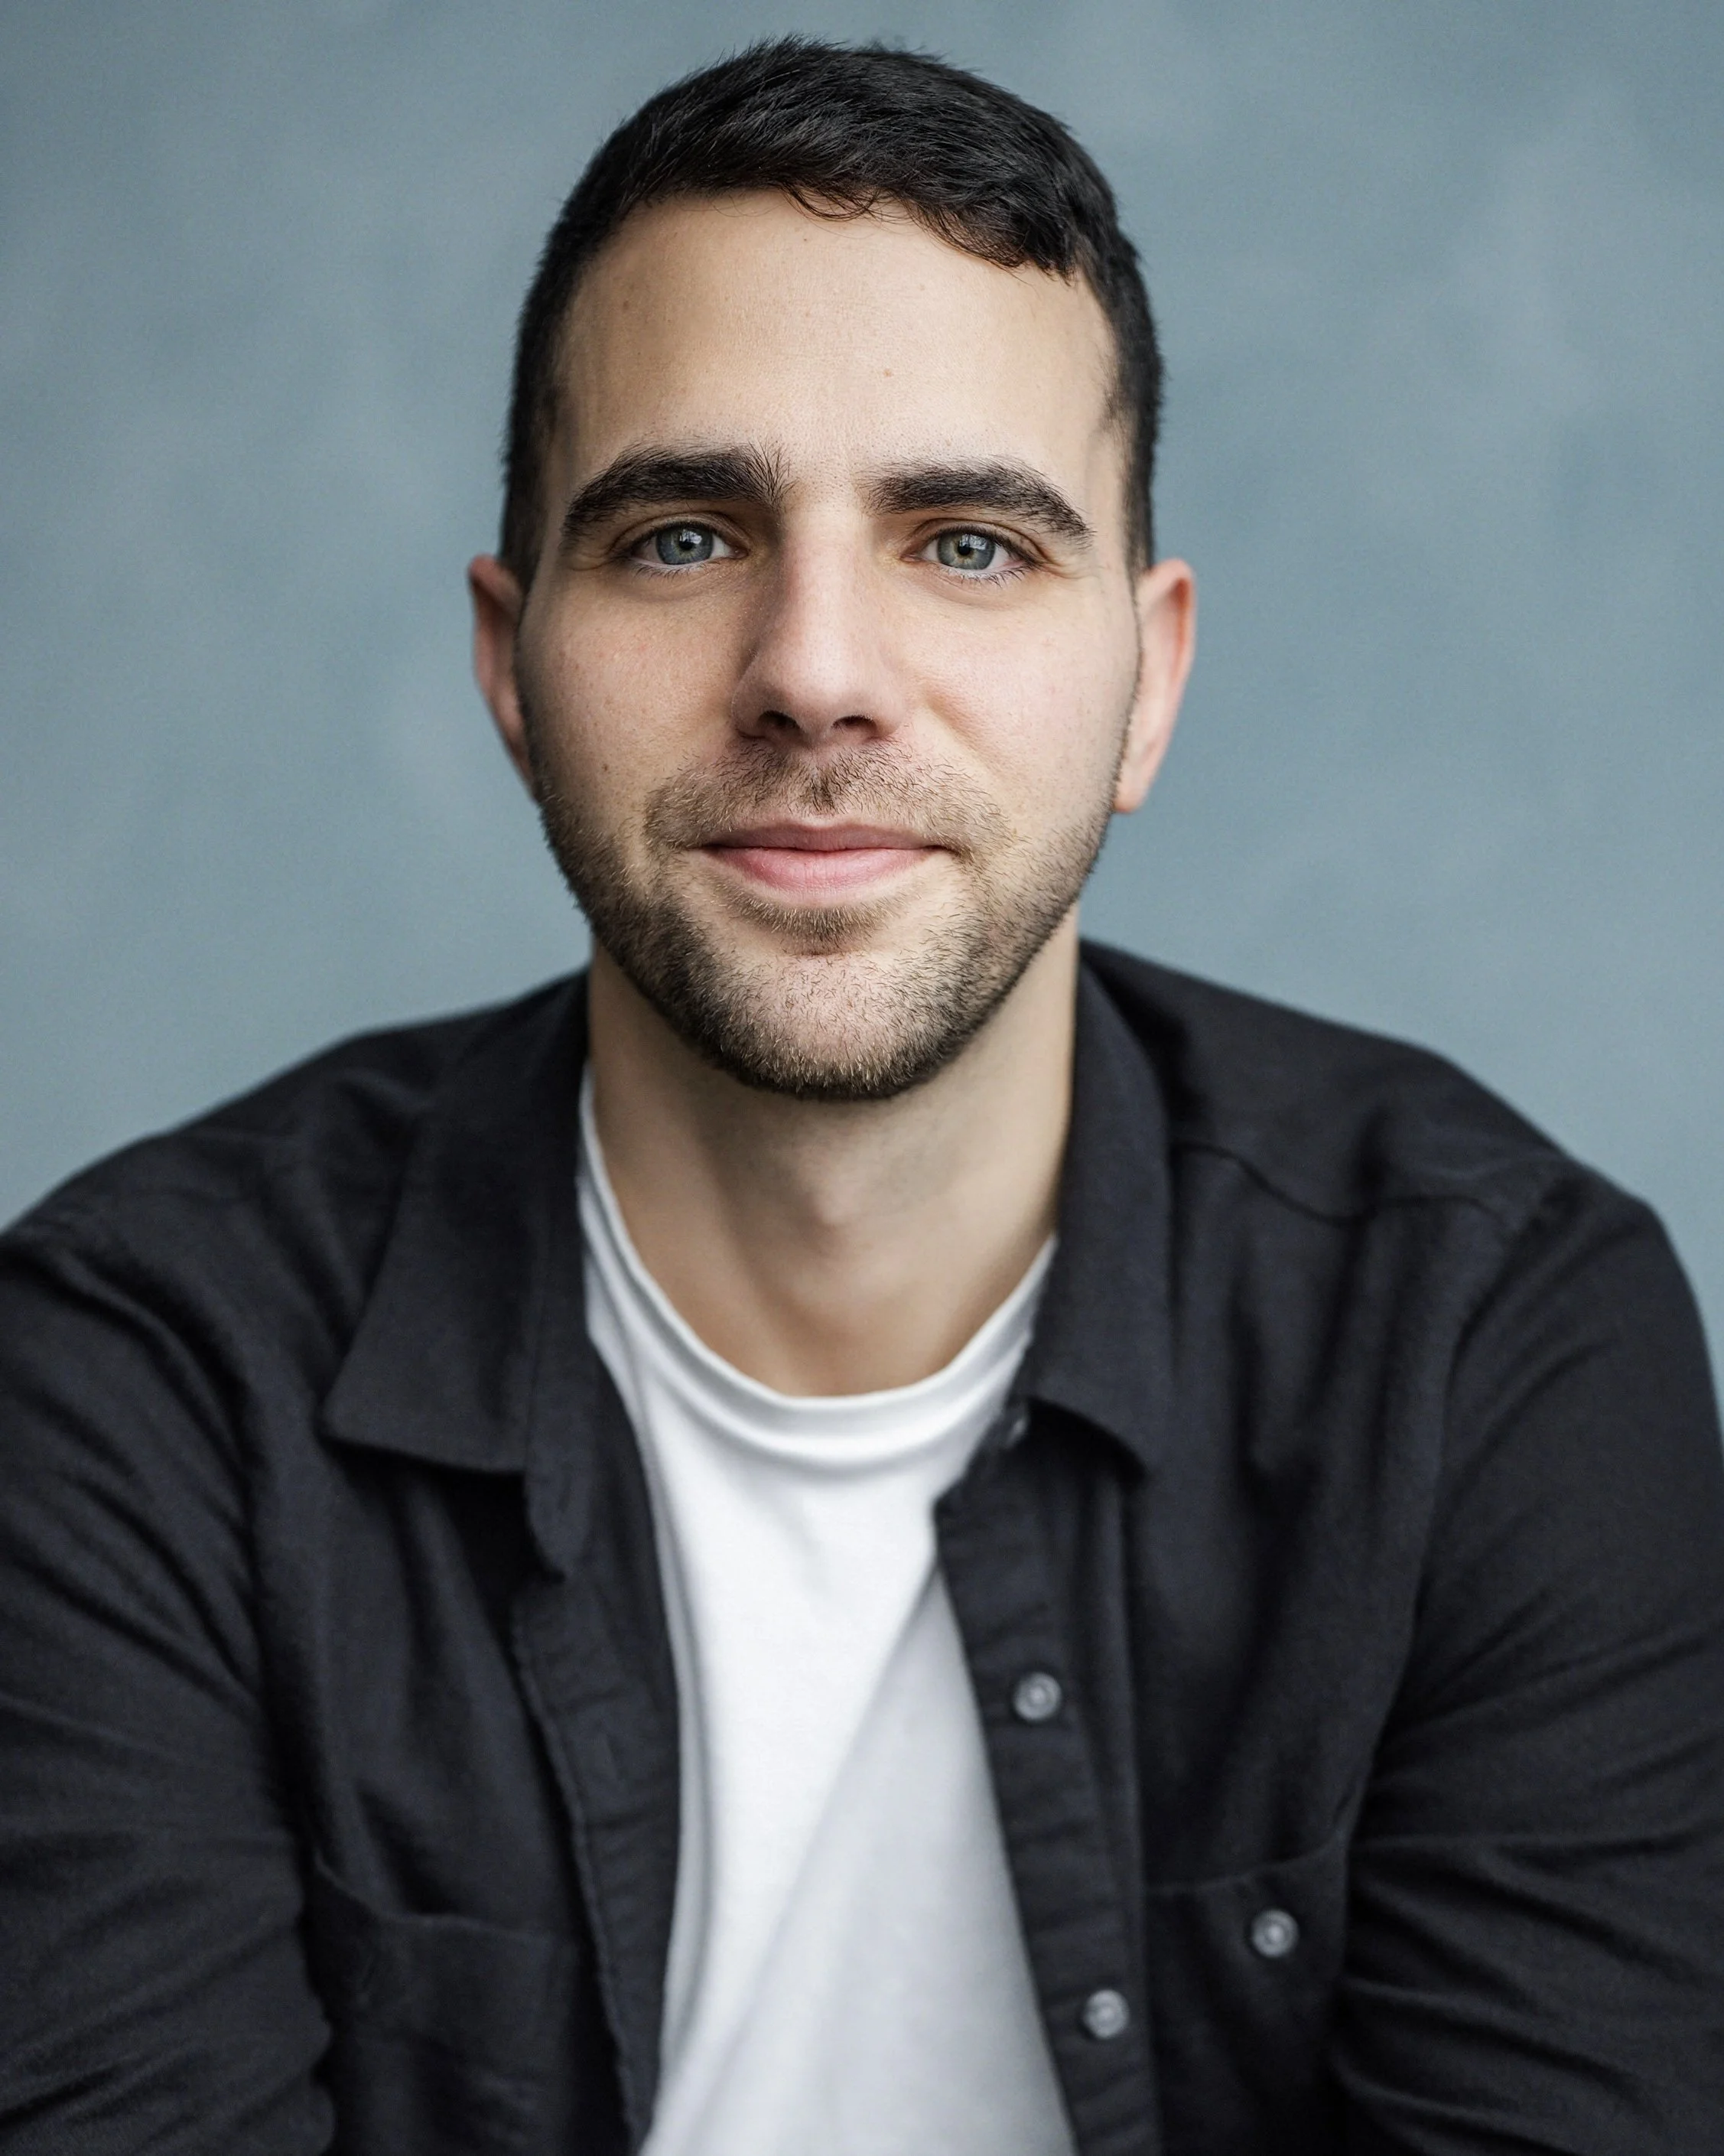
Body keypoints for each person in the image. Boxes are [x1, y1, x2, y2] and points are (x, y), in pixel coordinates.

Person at [2, 35, 1721, 2156]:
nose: (814, 667)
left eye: (969, 544)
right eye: (681, 534)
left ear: (1147, 678)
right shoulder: (136, 1378)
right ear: (507, 662)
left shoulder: (1487, 1351)